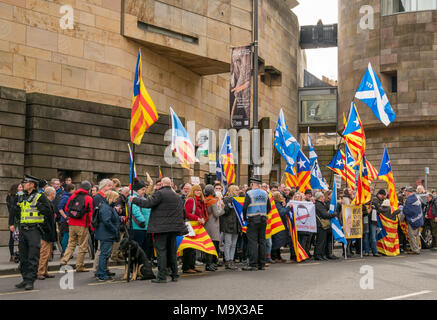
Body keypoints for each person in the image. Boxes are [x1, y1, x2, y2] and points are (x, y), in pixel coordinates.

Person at [129, 177, 186, 283]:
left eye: (160, 184)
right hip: (173, 228)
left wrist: (134, 200)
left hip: (161, 228)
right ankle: (174, 275)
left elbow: (148, 204)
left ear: (163, 184)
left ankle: (161, 276)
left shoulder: (160, 194)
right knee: (172, 252)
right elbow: (182, 212)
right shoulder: (177, 196)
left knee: (161, 252)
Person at [14, 174, 51, 291]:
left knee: (32, 256)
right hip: (23, 230)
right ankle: (25, 279)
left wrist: (38, 205)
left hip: (34, 230)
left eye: (25, 183)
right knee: (23, 257)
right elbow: (18, 213)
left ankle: (30, 280)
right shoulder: (22, 196)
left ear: (32, 184)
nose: (23, 185)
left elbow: (48, 212)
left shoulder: (40, 196)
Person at [60, 181, 94, 272]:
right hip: (82, 224)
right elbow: (91, 213)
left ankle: (64, 260)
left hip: (71, 223)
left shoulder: (73, 196)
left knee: (71, 243)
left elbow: (67, 208)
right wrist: (92, 225)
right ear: (89, 189)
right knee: (82, 246)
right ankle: (79, 266)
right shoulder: (88, 198)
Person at [242, 177, 271, 271]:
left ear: (251, 184)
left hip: (253, 219)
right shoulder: (265, 193)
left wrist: (244, 217)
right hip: (263, 219)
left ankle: (253, 264)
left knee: (253, 242)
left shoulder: (249, 193)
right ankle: (262, 264)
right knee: (262, 241)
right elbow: (269, 207)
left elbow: (245, 207)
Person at [183, 184, 208, 273]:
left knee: (194, 247)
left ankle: (192, 266)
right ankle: (186, 267)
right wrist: (198, 218)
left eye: (200, 190)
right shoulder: (190, 200)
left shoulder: (200, 201)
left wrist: (202, 219)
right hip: (190, 226)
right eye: (196, 190)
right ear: (193, 191)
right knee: (188, 247)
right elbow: (187, 213)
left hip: (197, 226)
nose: (198, 192)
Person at [95, 190, 120, 281]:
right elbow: (107, 221)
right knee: (104, 254)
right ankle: (101, 274)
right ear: (112, 198)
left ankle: (103, 272)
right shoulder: (106, 208)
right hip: (106, 234)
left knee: (105, 254)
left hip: (106, 233)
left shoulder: (107, 206)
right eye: (116, 198)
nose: (117, 200)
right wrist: (114, 229)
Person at [37, 187, 57, 280]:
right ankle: (40, 272)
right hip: (45, 233)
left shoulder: (49, 203)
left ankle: (45, 271)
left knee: (48, 253)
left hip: (49, 232)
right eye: (55, 193)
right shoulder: (45, 204)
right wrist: (47, 230)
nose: (55, 195)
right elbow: (43, 220)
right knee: (44, 253)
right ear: (51, 194)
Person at [204, 184, 225, 271]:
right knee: (213, 245)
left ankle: (209, 263)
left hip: (206, 224)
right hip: (213, 225)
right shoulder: (213, 201)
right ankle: (210, 264)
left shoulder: (205, 200)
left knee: (208, 245)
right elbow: (217, 214)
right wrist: (222, 209)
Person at [129, 180, 153, 260]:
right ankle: (136, 268)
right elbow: (135, 211)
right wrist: (142, 221)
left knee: (144, 250)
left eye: (145, 189)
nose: (144, 191)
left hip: (145, 227)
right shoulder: (133, 198)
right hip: (138, 227)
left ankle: (142, 267)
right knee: (138, 250)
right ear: (137, 190)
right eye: (142, 189)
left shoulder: (142, 198)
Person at [221, 185, 241, 270]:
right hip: (228, 224)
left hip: (236, 224)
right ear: (232, 190)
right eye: (236, 190)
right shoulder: (226, 199)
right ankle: (227, 260)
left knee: (233, 244)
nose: (238, 191)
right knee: (228, 243)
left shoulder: (239, 199)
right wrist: (227, 205)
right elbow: (225, 212)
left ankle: (231, 260)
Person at [314, 192, 336, 260]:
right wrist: (334, 214)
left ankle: (322, 254)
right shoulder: (318, 205)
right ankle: (318, 255)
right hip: (321, 224)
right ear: (320, 198)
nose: (324, 198)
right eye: (323, 197)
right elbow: (324, 214)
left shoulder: (321, 204)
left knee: (323, 240)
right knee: (321, 241)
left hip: (322, 224)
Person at [403, 186, 424, 254]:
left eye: (405, 191)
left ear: (408, 192)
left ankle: (415, 250)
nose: (404, 193)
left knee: (412, 235)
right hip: (418, 219)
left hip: (413, 220)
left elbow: (406, 210)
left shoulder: (409, 199)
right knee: (416, 235)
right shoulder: (416, 198)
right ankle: (416, 248)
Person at [271, 192, 291, 263]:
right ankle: (275, 257)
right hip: (278, 225)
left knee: (279, 241)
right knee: (277, 241)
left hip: (279, 224)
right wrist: (288, 207)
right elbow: (282, 212)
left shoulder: (278, 204)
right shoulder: (277, 204)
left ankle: (278, 256)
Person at [57, 183, 75, 256]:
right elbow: (60, 208)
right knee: (66, 236)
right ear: (70, 190)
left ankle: (67, 252)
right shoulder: (65, 197)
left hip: (68, 220)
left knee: (67, 236)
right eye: (74, 189)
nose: (75, 190)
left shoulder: (69, 196)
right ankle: (65, 252)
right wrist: (66, 217)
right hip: (65, 221)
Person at [7, 183, 21, 262]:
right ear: (16, 188)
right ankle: (12, 255)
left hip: (17, 218)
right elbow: (11, 209)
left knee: (20, 238)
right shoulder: (11, 197)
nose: (21, 188)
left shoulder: (21, 196)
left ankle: (19, 254)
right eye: (20, 187)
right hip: (14, 219)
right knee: (12, 238)